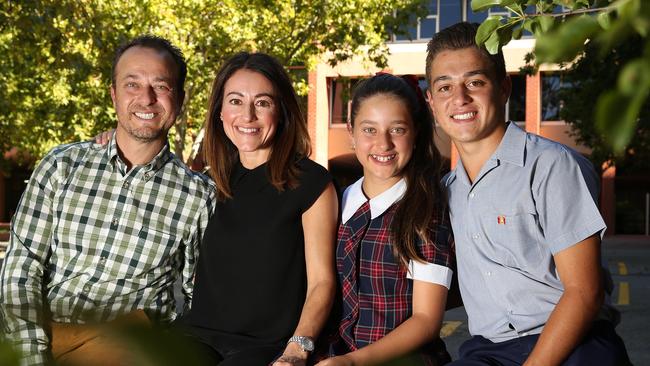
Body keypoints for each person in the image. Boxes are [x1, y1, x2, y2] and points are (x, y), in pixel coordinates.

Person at [0, 35, 216, 365]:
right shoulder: (61, 166)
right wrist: (32, 357)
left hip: (124, 349)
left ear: (181, 98)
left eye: (161, 86)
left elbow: (195, 299)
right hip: (40, 336)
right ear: (113, 94)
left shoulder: (199, 197)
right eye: (132, 84)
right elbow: (21, 269)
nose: (146, 98)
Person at [425, 22, 630, 365]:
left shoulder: (552, 166)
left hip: (574, 341)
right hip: (490, 349)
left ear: (504, 88)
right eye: (445, 87)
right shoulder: (447, 192)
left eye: (475, 82)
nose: (459, 98)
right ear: (431, 101)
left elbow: (584, 292)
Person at [175, 52, 338, 366]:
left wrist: (297, 348)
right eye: (235, 101)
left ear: (282, 111)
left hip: (268, 348)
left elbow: (322, 282)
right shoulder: (212, 183)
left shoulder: (312, 184)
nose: (247, 116)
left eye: (263, 103)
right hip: (198, 338)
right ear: (220, 112)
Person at [316, 73, 454, 366]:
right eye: (369, 130)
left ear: (415, 133)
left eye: (397, 130)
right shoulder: (331, 203)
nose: (383, 143)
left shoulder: (426, 211)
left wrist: (353, 361)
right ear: (351, 132)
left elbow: (426, 319)